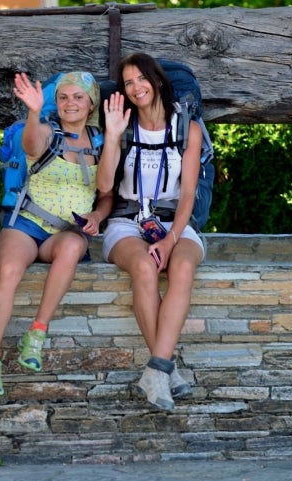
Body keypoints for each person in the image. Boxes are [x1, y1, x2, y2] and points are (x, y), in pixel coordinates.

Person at [0, 71, 112, 397]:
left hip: (67, 232)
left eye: (78, 97)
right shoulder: (44, 130)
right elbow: (31, 144)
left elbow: (106, 192)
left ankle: (35, 334)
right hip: (26, 225)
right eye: (64, 97)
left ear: (91, 102)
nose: (70, 103)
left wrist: (97, 215)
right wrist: (34, 111)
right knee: (9, 270)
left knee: (71, 250)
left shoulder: (100, 141)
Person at [97, 53, 205, 411]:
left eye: (141, 79)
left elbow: (188, 191)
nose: (136, 87)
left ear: (156, 80)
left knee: (183, 267)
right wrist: (112, 137)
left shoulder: (185, 127)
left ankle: (157, 371)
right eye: (128, 83)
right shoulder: (123, 125)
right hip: (127, 220)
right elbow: (103, 187)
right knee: (144, 267)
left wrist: (172, 238)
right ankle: (165, 370)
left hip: (174, 222)